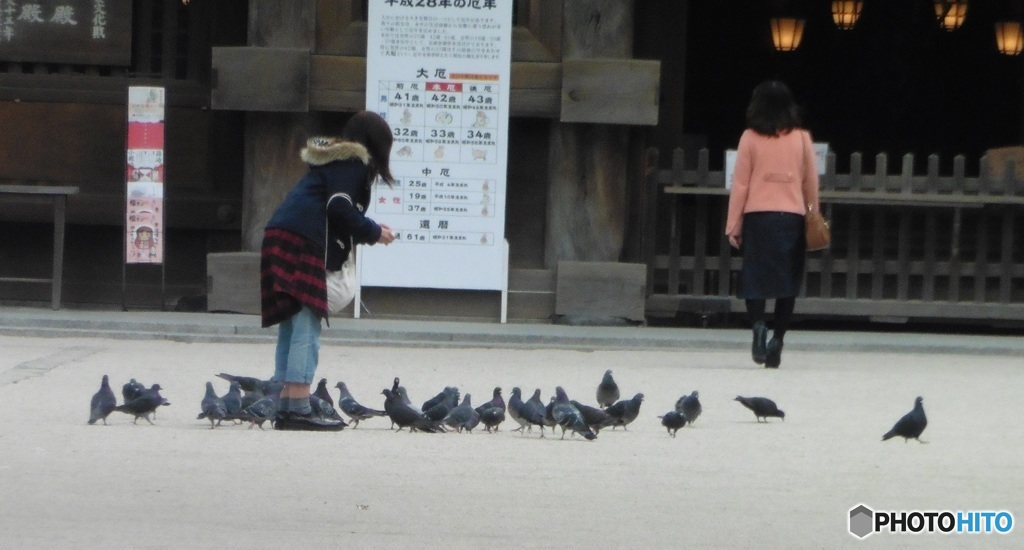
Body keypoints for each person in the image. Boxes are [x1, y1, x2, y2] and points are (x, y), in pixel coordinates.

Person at [260, 111, 397, 430]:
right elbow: (338, 207)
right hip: (304, 241)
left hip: (279, 234)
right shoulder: (354, 163)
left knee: (291, 324)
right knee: (307, 322)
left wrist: (369, 230)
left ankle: (284, 405)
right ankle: (299, 408)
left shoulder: (330, 162)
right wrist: (374, 232)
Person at [725, 81, 820, 369]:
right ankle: (777, 339)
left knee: (755, 280)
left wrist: (734, 224)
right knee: (787, 283)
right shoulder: (802, 138)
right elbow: (810, 182)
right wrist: (813, 214)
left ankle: (757, 327)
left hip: (758, 216)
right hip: (790, 217)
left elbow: (740, 184)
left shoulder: (749, 138)